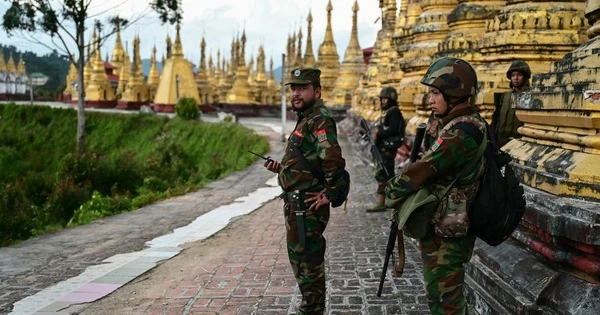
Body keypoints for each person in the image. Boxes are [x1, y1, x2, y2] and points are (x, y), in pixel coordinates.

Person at [385, 57, 486, 315]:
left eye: (435, 93)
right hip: (441, 222)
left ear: (454, 94)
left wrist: (392, 189)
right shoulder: (453, 124)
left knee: (447, 299)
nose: (430, 100)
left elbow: (425, 167)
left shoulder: (462, 133)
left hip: (452, 230)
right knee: (435, 293)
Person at [263, 67, 348, 315]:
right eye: (293, 89)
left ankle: (312, 310)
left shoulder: (319, 119)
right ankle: (311, 307)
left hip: (307, 206)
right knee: (301, 261)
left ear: (317, 91)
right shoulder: (307, 118)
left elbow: (332, 159)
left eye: (303, 88)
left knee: (308, 262)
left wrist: (330, 193)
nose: (296, 94)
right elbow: (310, 159)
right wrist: (282, 169)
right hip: (297, 203)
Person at [366, 86, 406, 212]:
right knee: (387, 174)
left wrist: (379, 133)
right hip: (382, 149)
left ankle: (382, 202)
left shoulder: (394, 112)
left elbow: (393, 129)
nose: (383, 101)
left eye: (385, 99)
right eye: (382, 99)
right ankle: (392, 200)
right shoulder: (388, 112)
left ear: (392, 99)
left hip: (387, 149)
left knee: (383, 174)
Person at [491, 60, 530, 147]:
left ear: (525, 77)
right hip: (500, 141)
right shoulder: (504, 97)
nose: (515, 78)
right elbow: (496, 118)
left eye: (519, 75)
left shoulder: (530, 97)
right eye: (513, 75)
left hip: (519, 143)